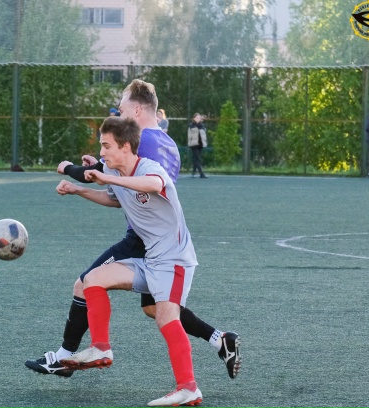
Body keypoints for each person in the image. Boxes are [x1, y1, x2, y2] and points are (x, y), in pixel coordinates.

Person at [25, 79, 240, 381]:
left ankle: (64, 356)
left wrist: (70, 169)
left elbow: (110, 177)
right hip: (156, 237)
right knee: (156, 309)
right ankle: (219, 339)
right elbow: (122, 192)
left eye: (123, 106)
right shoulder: (167, 141)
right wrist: (97, 171)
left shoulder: (143, 140)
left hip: (144, 241)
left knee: (85, 283)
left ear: (137, 110)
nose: (119, 111)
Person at [58, 116, 201, 406]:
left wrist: (108, 176)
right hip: (150, 258)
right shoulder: (115, 171)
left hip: (174, 260)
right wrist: (79, 189)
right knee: (92, 279)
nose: (102, 153)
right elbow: (115, 198)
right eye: (101, 146)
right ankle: (101, 348)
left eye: (106, 146)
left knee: (166, 318)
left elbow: (153, 184)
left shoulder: (149, 168)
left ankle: (189, 388)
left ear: (125, 147)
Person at [187, 113, 208, 178]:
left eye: (199, 118)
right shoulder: (191, 126)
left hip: (200, 144)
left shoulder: (202, 126)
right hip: (194, 144)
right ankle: (201, 174)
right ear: (194, 118)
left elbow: (204, 135)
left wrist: (204, 142)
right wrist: (190, 143)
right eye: (197, 118)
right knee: (198, 159)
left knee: (196, 159)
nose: (198, 119)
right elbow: (189, 135)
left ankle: (193, 172)